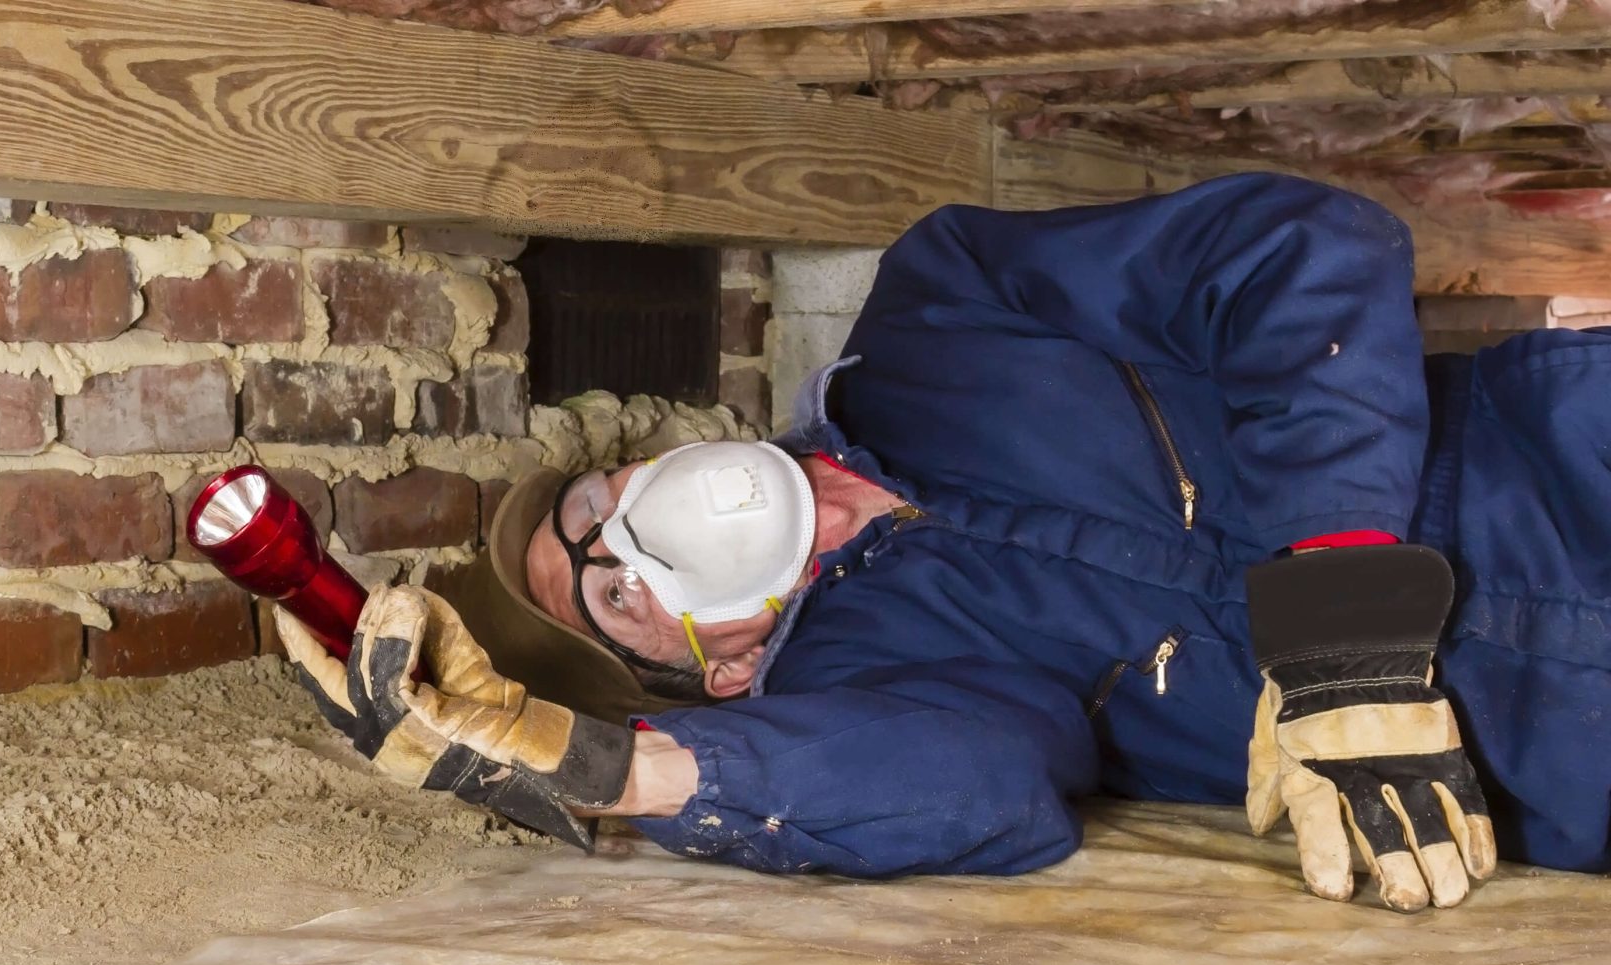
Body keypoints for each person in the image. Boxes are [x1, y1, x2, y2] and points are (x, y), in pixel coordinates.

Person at [277, 172, 1611, 914]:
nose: (629, 536)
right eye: (615, 594)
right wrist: (606, 765)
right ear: (723, 669)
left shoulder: (941, 307)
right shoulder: (874, 686)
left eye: (591, 510)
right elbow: (978, 795)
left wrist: (1341, 619)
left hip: (1568, 466)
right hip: (1553, 754)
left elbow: (1297, 250)